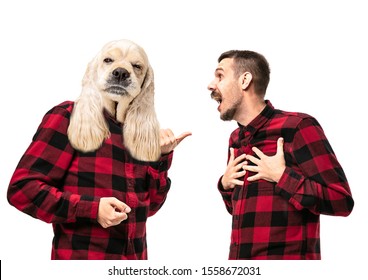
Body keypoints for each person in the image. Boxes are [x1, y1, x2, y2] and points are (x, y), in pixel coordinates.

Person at [208, 50, 354, 260]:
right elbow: (241, 212)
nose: (211, 85)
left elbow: (342, 201)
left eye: (220, 76)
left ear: (245, 80)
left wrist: (283, 177)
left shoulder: (297, 127)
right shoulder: (236, 139)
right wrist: (226, 185)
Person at [7, 102, 191, 260]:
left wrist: (161, 157)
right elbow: (22, 189)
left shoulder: (138, 133)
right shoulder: (72, 116)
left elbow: (148, 209)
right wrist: (92, 209)